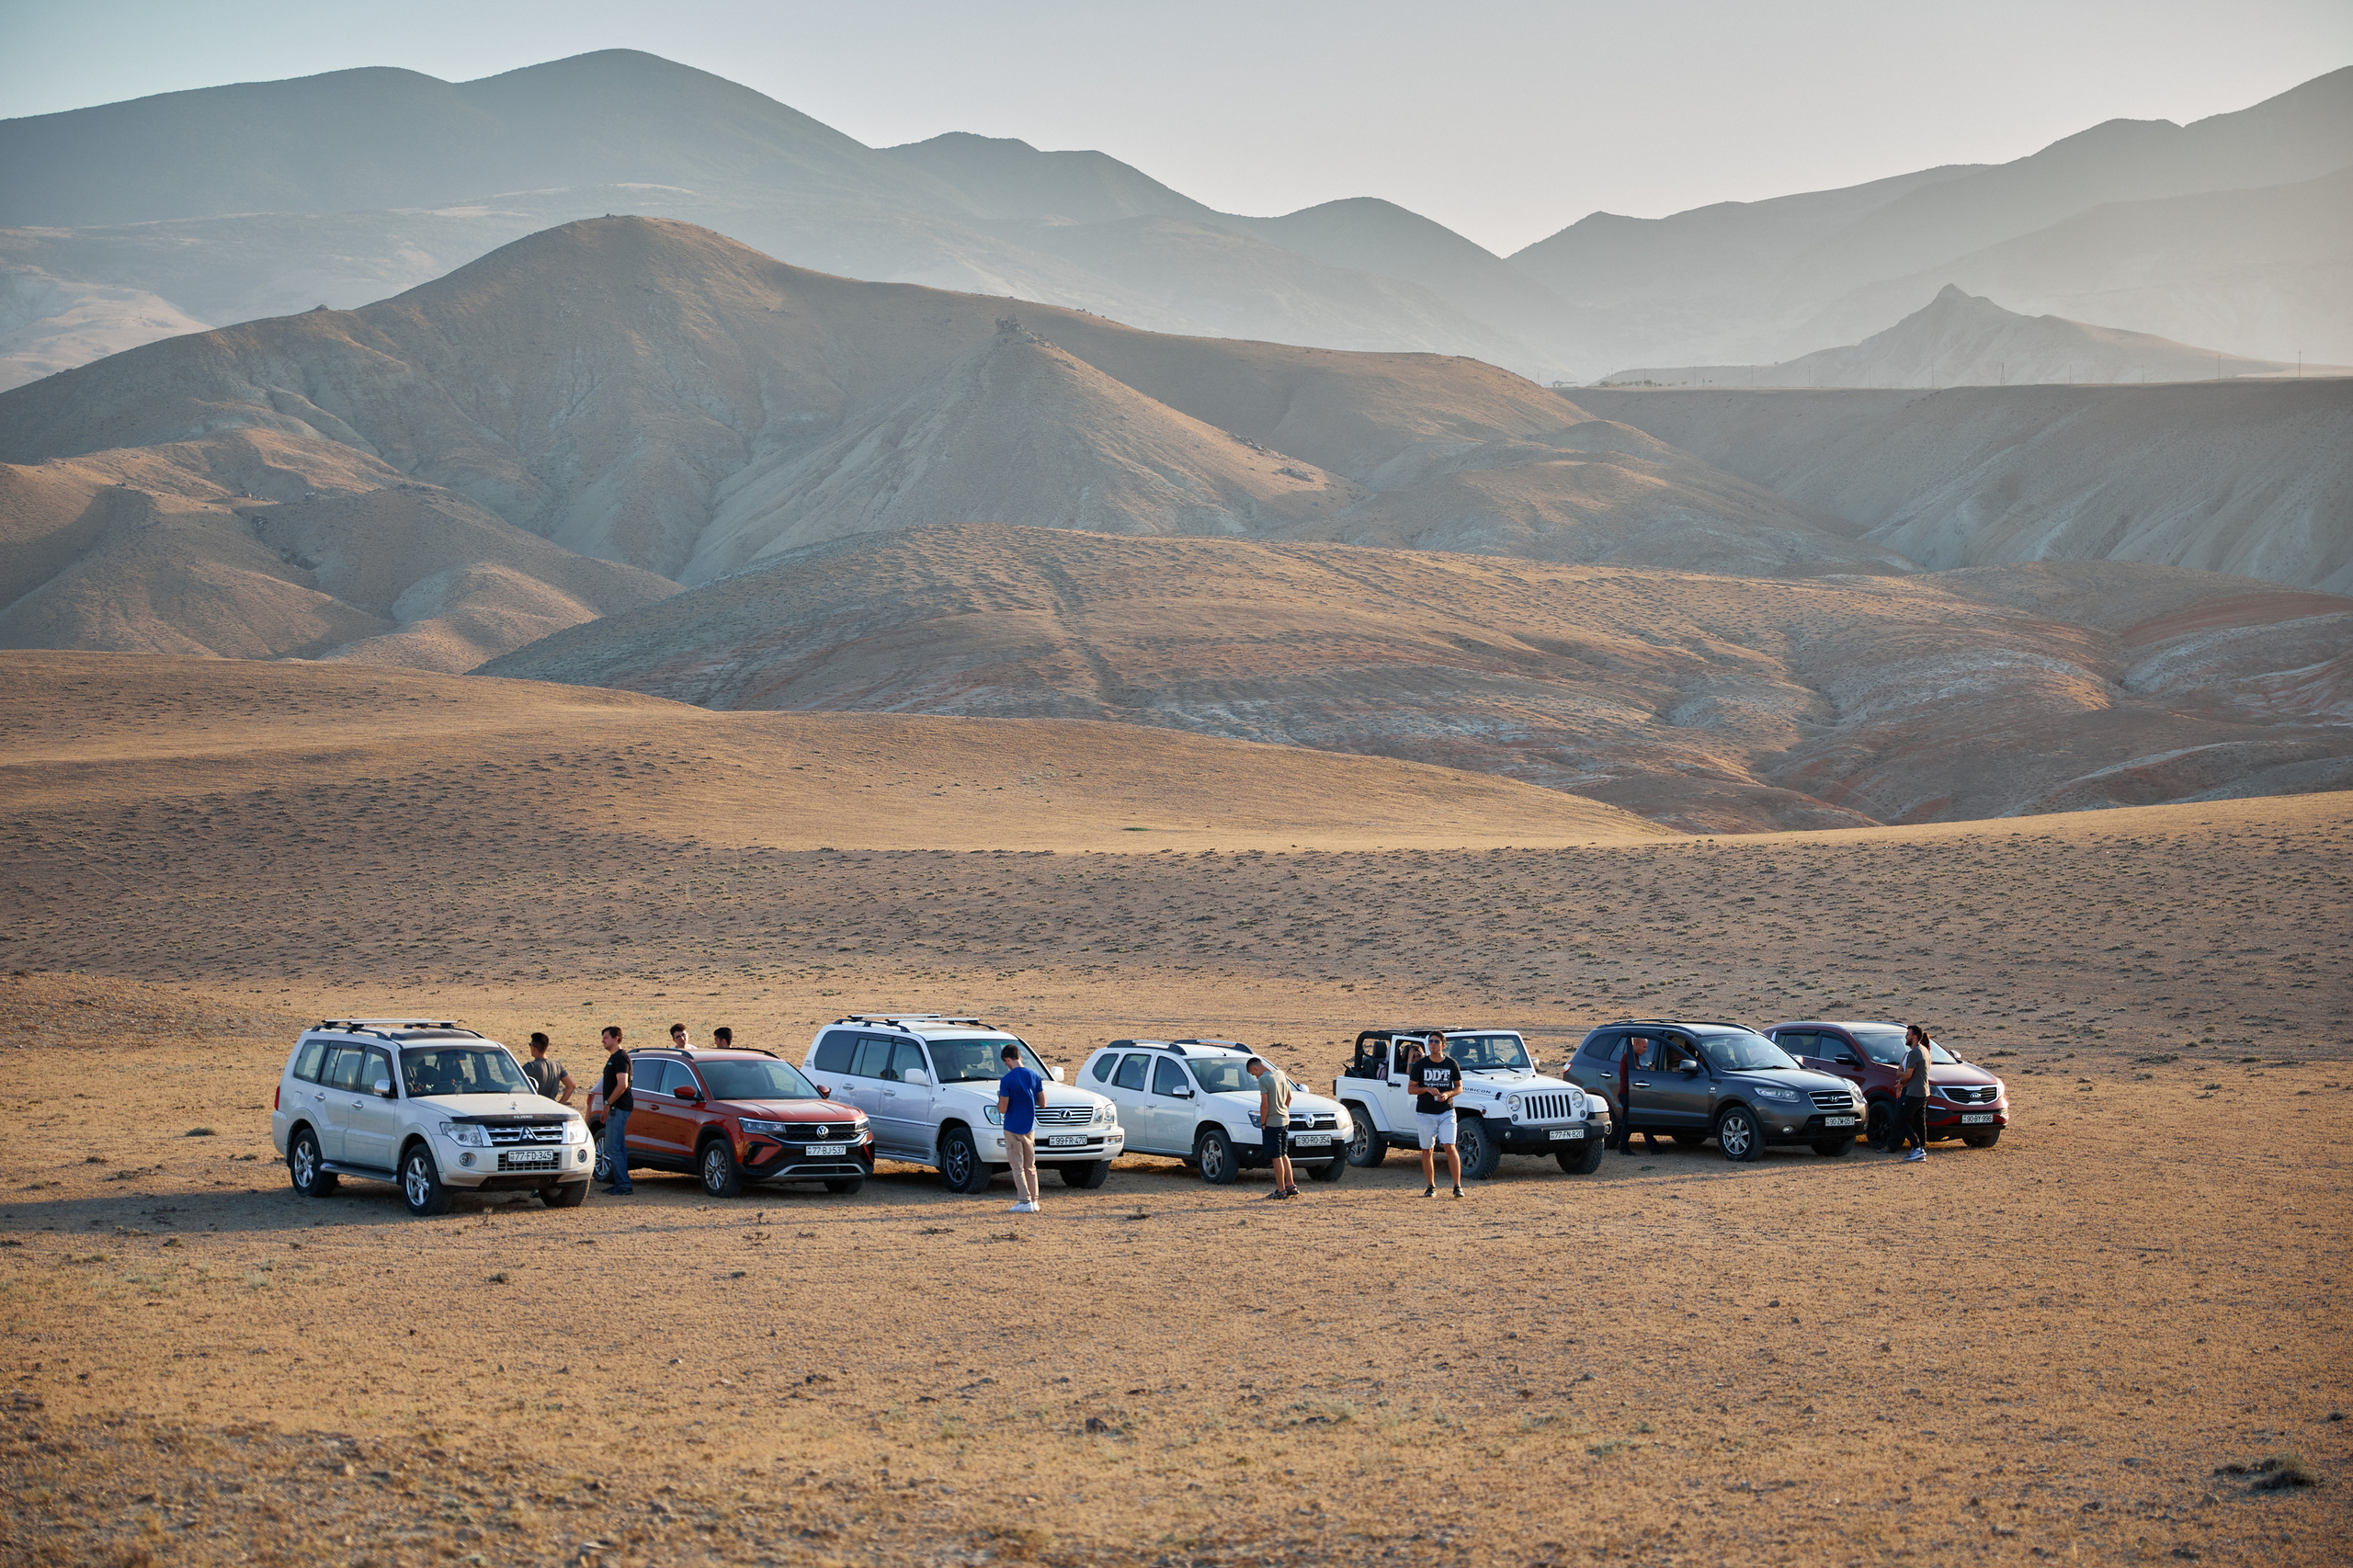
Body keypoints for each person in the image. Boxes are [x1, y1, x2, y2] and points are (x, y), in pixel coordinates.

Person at [1408, 1033, 1464, 1198]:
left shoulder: (1451, 1064)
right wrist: (1426, 1089)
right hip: (1425, 1113)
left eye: (1436, 1042)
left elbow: (1459, 1087)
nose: (1433, 1044)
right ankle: (1431, 1186)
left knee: (1449, 1146)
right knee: (1427, 1149)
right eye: (1430, 1042)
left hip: (1446, 1111)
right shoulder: (1420, 1065)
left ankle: (1457, 1186)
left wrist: (1447, 1094)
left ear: (1443, 1045)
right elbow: (1411, 1089)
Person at [995, 1043, 1045, 1214]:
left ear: (1007, 1059)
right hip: (1029, 1126)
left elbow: (1002, 1108)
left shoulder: (1007, 1080)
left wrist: (999, 1097)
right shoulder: (1034, 1075)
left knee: (1017, 1166)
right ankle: (1035, 1200)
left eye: (1005, 1062)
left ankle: (1024, 1201)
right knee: (1030, 1166)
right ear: (1020, 1056)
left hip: (1012, 1127)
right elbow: (1043, 1103)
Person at [1245, 1056, 1297, 1199]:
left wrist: (1263, 1122)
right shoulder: (1281, 1074)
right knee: (1283, 1153)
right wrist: (1283, 1111)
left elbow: (1265, 1104)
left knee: (1275, 1156)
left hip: (1272, 1122)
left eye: (1253, 1074)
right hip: (1284, 1120)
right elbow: (1289, 1097)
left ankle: (1280, 1190)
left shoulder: (1263, 1080)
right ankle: (1290, 1185)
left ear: (1254, 1068)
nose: (1255, 1077)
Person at [598, 1027, 634, 1195]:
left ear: (616, 1038)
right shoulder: (614, 1058)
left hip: (618, 1107)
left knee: (613, 1147)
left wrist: (608, 1103)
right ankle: (621, 1182)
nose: (603, 1040)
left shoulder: (620, 1058)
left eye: (606, 1037)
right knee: (618, 1147)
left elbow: (622, 1085)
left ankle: (624, 1184)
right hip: (616, 1107)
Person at [1895, 1023, 1933, 1163]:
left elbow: (1907, 1075)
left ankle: (1917, 1147)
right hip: (1924, 1092)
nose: (1906, 1037)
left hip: (1915, 1092)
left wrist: (1900, 1080)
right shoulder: (1924, 1050)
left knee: (1901, 1118)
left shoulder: (1915, 1052)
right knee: (1919, 1120)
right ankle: (1921, 1149)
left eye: (1908, 1035)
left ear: (1915, 1037)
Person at [521, 1032, 574, 1104]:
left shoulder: (530, 1067)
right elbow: (571, 1085)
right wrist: (560, 1104)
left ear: (533, 1048)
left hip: (535, 1106)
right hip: (551, 1107)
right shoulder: (557, 1065)